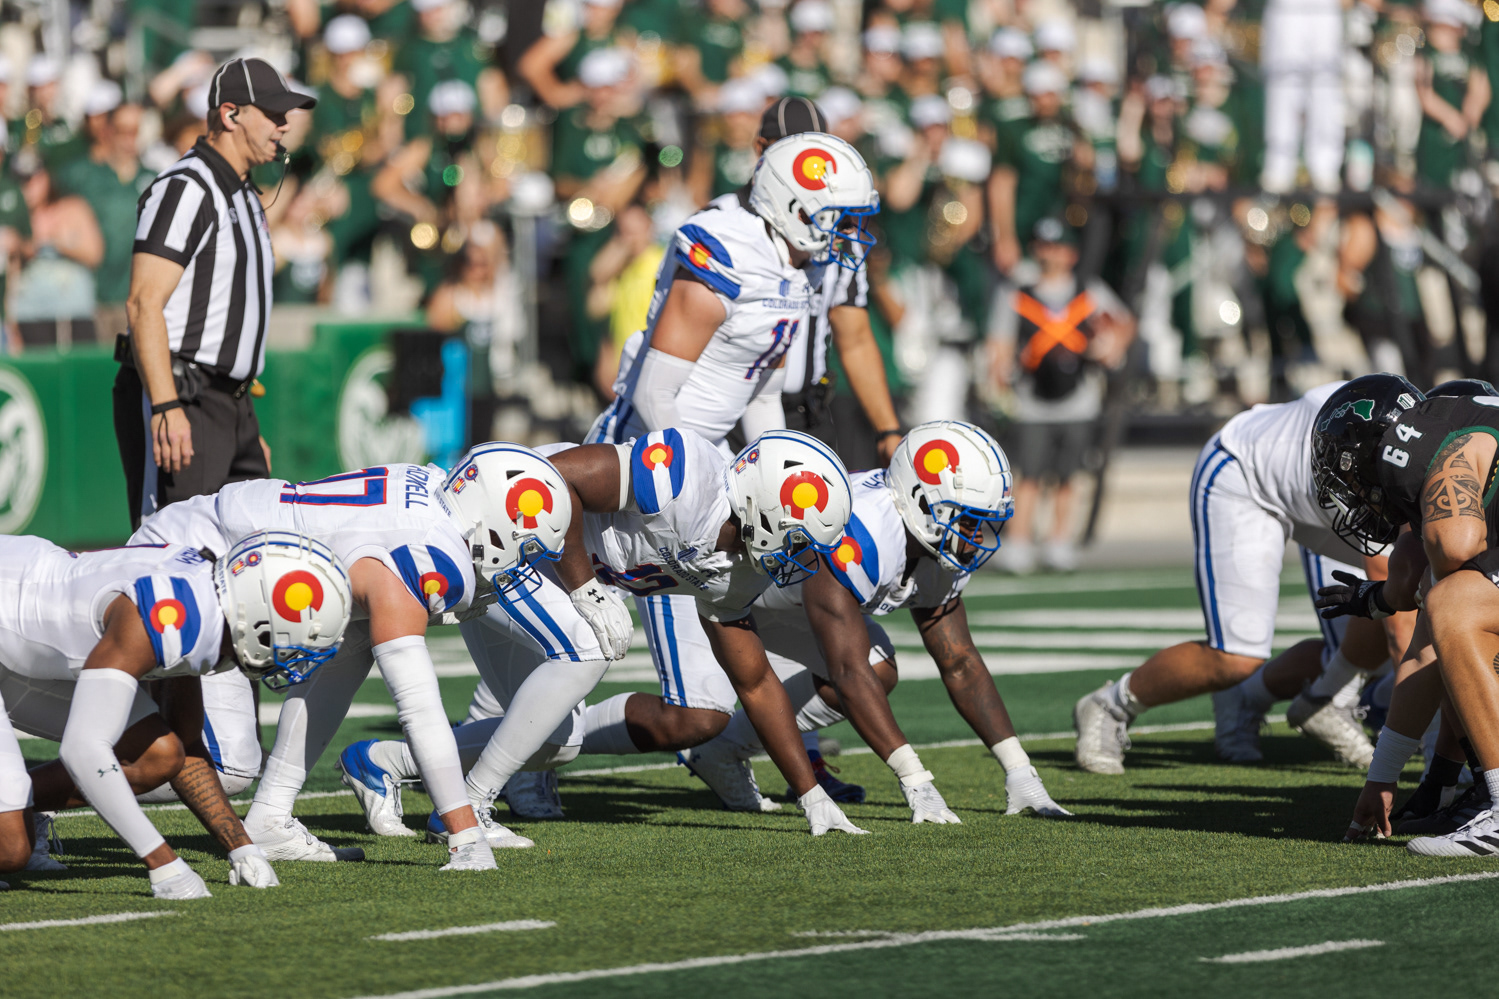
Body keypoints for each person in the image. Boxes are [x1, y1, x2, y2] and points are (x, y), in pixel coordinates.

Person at [340, 429, 872, 836]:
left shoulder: (741, 570)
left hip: (544, 575)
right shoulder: (686, 478)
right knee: (586, 646)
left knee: (559, 739)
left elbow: (753, 682)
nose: (800, 559)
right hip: (502, 533)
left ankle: (382, 763)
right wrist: (585, 588)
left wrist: (810, 794)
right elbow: (549, 479)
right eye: (797, 539)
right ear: (764, 505)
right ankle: (469, 805)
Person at [576, 134, 876, 783]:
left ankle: (725, 754)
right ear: (790, 205)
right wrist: (694, 488)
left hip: (712, 475)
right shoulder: (727, 247)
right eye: (836, 216)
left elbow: (760, 389)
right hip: (651, 480)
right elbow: (657, 391)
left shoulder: (789, 269)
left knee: (851, 651)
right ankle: (505, 754)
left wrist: (774, 474)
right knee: (679, 699)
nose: (846, 233)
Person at [129, 453, 553, 868]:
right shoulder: (424, 554)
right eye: (524, 548)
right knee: (228, 766)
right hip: (191, 568)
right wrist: (465, 835)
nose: (520, 564)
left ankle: (271, 818)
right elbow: (418, 707)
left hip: (217, 552)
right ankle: (66, 788)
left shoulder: (434, 493)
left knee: (354, 637)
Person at [688, 421, 1068, 818]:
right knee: (687, 720)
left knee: (878, 667)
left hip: (785, 603)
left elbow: (960, 661)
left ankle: (724, 752)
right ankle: (710, 746)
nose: (974, 533)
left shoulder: (931, 539)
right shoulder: (860, 534)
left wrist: (1019, 769)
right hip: (720, 588)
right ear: (921, 501)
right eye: (967, 518)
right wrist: (915, 779)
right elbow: (847, 672)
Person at [1073, 378, 1419, 775]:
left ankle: (1323, 698)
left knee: (1374, 626)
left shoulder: (1433, 453)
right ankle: (1111, 704)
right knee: (1235, 656)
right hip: (1246, 475)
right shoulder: (1399, 467)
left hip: (1331, 496)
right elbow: (1401, 615)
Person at [0, 531, 350, 897]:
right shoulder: (168, 616)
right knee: (10, 848)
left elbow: (186, 746)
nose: (294, 655)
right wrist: (163, 863)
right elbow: (83, 750)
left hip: (18, 648)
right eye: (295, 642)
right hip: (11, 620)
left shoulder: (206, 607)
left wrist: (240, 846)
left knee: (159, 755)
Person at [114, 57, 315, 530]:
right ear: (230, 114)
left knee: (258, 553)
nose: (284, 124)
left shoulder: (244, 194)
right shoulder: (186, 189)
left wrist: (245, 422)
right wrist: (165, 406)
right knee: (177, 555)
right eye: (271, 112)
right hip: (185, 397)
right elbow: (143, 303)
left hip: (230, 406)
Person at [1310, 376, 1499, 855]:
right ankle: (1467, 788)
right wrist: (1382, 777)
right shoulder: (1443, 420)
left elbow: (1454, 549)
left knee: (1453, 603)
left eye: (1350, 474)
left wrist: (1426, 584)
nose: (1353, 493)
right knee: (1450, 607)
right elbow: (1424, 644)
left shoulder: (1420, 460)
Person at [987, 218, 1134, 574]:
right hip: (1032, 400)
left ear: (1071, 253)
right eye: (1044, 245)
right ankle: (1020, 540)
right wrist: (999, 376)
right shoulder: (1017, 293)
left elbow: (1124, 323)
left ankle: (1058, 539)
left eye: (1057, 247)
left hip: (1078, 398)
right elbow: (1000, 343)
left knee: (1069, 476)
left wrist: (1110, 347)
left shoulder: (1089, 291)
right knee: (1029, 475)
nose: (1050, 254)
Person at [55, 88, 157, 345]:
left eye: (135, 131)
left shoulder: (155, 179)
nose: (130, 140)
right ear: (108, 131)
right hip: (93, 299)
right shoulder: (83, 176)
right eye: (123, 131)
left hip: (139, 299)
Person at [8, 155, 103, 349]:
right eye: (22, 181)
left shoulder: (72, 208)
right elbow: (11, 274)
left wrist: (59, 242)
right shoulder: (14, 217)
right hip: (30, 315)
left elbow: (95, 254)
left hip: (73, 313)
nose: (29, 187)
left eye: (35, 178)